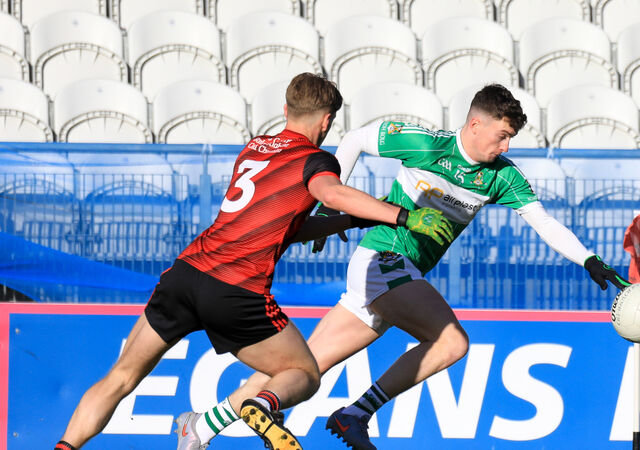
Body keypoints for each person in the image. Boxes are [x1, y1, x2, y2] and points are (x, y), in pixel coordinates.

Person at [186, 84, 630, 450]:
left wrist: (588, 258)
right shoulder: (424, 144)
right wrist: (327, 204)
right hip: (383, 258)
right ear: (475, 124)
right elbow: (358, 138)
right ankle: (355, 414)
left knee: (304, 369)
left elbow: (544, 222)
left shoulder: (503, 177)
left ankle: (203, 426)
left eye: (510, 137)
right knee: (452, 342)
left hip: (395, 278)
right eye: (501, 134)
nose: (506, 145)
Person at [53, 73, 453, 450]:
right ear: (327, 121)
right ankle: (261, 405)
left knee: (120, 377)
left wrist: (344, 222)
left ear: (285, 110)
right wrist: (403, 215)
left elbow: (281, 228)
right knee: (304, 374)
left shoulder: (255, 148)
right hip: (234, 289)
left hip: (186, 272)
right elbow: (331, 193)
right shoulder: (316, 161)